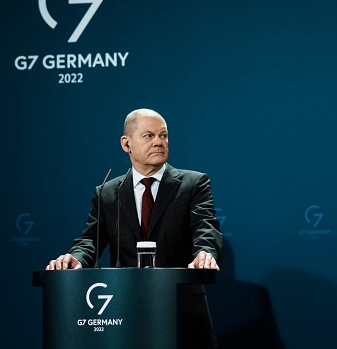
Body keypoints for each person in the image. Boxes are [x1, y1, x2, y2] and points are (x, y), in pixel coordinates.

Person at [46, 108, 223, 347]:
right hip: (124, 313)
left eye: (164, 135)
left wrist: (205, 252)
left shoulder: (193, 184)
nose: (159, 142)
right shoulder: (108, 192)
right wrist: (75, 258)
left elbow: (205, 227)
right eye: (149, 136)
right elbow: (91, 239)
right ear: (126, 143)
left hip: (181, 310)